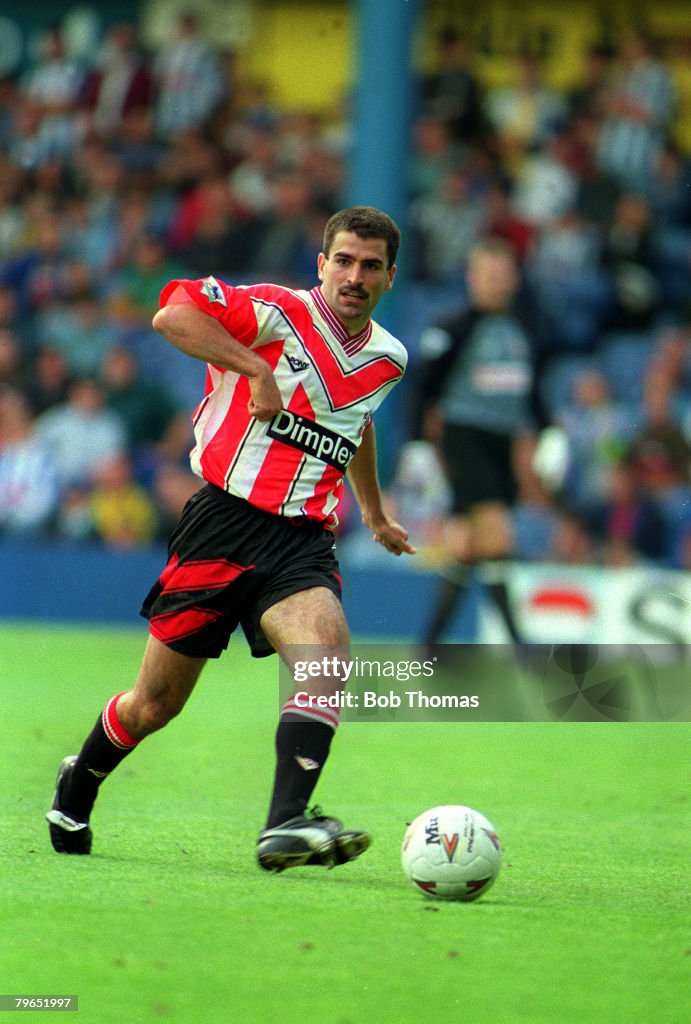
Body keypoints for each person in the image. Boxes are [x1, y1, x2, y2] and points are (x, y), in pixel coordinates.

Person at [46, 206, 415, 872]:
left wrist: (375, 512)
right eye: (343, 260)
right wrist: (254, 367)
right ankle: (80, 781)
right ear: (321, 263)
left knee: (327, 655)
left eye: (369, 266)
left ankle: (284, 824)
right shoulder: (274, 311)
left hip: (301, 538)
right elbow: (171, 316)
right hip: (221, 522)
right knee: (155, 704)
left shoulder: (389, 359)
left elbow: (355, 421)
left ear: (390, 276)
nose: (353, 276)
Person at [415, 237, 539, 649]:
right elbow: (424, 389)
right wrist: (418, 444)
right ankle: (520, 645)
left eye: (501, 275)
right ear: (471, 278)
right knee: (497, 536)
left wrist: (547, 430)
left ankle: (430, 645)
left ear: (514, 279)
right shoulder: (453, 328)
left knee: (466, 548)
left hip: (503, 444)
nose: (494, 283)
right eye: (486, 275)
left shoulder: (524, 329)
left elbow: (531, 391)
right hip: (464, 438)